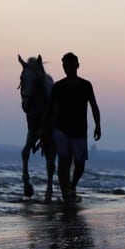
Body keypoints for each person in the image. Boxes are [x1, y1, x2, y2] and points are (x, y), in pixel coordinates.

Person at [43, 52, 101, 204]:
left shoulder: (86, 85)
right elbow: (49, 109)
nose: (67, 68)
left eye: (70, 65)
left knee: (80, 165)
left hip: (80, 131)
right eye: (64, 65)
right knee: (64, 162)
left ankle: (72, 186)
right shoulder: (58, 87)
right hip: (61, 130)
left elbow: (94, 106)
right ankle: (66, 194)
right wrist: (44, 127)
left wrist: (98, 125)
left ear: (77, 66)